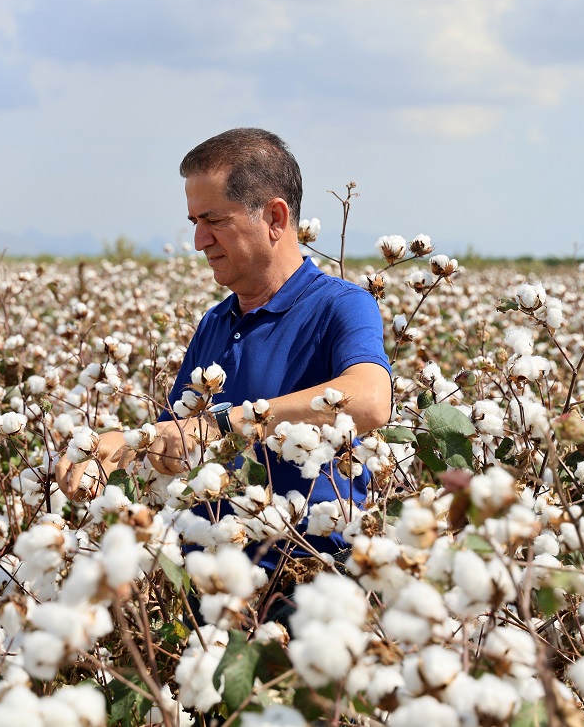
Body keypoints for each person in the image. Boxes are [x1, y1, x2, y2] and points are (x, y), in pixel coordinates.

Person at [56, 127, 392, 572]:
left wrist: (223, 424)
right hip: (210, 596)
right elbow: (177, 439)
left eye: (214, 221)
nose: (199, 241)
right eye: (195, 223)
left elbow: (370, 401)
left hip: (305, 588)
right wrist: (118, 448)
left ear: (275, 218)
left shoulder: (341, 306)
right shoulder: (217, 322)